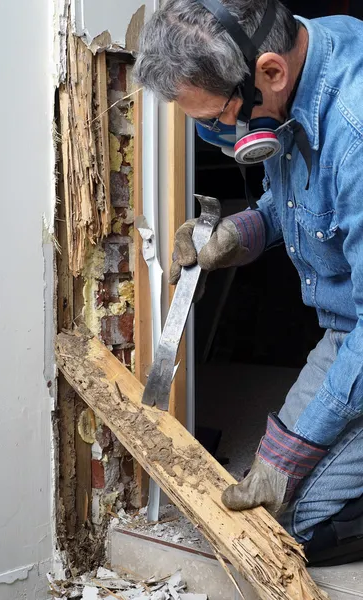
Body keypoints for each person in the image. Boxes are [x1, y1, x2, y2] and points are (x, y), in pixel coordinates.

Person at [134, 0, 363, 564]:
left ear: (270, 72)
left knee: (302, 524)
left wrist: (290, 455)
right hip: (347, 327)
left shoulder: (354, 134)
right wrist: (241, 232)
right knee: (267, 511)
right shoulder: (288, 78)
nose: (215, 135)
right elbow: (300, 204)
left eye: (216, 121)